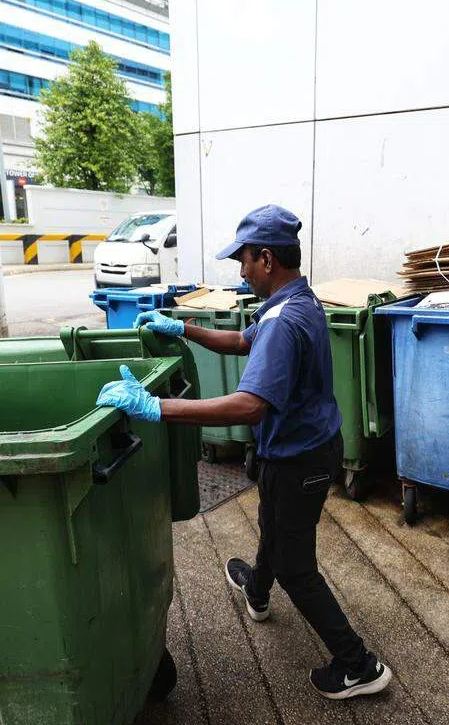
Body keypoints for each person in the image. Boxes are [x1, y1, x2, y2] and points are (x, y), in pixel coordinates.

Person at [95, 204, 392, 700]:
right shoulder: (297, 300)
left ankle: (358, 665)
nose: (241, 270)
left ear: (268, 259)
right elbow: (238, 340)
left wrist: (156, 407)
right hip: (299, 449)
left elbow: (251, 406)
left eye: (245, 261)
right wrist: (183, 328)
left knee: (296, 564)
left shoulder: (283, 320)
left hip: (302, 459)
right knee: (273, 523)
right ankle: (257, 588)